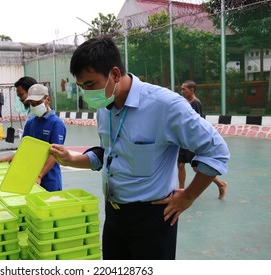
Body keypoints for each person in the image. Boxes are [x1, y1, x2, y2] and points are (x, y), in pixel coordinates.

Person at [50, 36, 230, 260]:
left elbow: (216, 151)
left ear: (115, 74)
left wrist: (189, 197)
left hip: (152, 219)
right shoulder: (104, 106)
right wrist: (72, 159)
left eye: (90, 85)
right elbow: (110, 153)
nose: (87, 94)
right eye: (81, 87)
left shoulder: (165, 106)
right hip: (114, 215)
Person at [0, 84, 67, 192]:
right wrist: (8, 158)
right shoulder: (30, 123)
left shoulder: (56, 123)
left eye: (38, 103)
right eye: (32, 104)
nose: (35, 106)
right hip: (30, 176)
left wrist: (40, 175)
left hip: (49, 177)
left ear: (48, 100)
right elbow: (24, 149)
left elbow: (55, 154)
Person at [178, 80, 228, 199]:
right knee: (180, 164)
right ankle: (181, 190)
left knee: (197, 168)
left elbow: (196, 123)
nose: (182, 91)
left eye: (184, 89)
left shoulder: (195, 103)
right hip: (182, 139)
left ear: (192, 90)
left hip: (191, 140)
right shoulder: (185, 102)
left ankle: (221, 184)